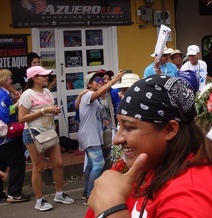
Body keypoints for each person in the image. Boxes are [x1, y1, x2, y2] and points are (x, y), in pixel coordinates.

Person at [85, 75, 212, 218]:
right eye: (119, 126)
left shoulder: (192, 193)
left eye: (129, 127)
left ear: (169, 129)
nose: (117, 139)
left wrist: (111, 209)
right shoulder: (157, 165)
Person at [18, 66, 75, 211]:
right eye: (43, 75)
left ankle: (59, 194)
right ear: (34, 78)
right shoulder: (27, 94)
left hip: (49, 131)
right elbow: (21, 118)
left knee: (59, 163)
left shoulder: (47, 91)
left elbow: (48, 111)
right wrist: (44, 110)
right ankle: (39, 200)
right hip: (33, 134)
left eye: (47, 75)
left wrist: (53, 110)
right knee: (38, 167)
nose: (47, 77)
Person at [78, 70, 125, 205]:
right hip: (90, 135)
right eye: (96, 81)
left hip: (94, 135)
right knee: (98, 164)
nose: (99, 82)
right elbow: (98, 93)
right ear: (88, 84)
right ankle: (91, 195)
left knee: (91, 165)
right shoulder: (88, 95)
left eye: (100, 80)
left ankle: (86, 192)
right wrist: (113, 80)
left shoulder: (93, 98)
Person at [0, 69, 29, 203]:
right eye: (9, 78)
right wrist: (17, 105)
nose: (11, 81)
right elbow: (4, 114)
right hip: (6, 136)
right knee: (17, 161)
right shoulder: (2, 95)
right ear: (4, 80)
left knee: (2, 163)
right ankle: (14, 192)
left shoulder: (5, 93)